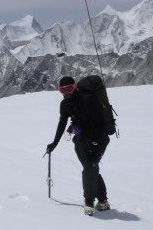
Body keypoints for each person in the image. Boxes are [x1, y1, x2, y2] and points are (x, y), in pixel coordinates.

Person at [46, 76, 111, 215]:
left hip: (99, 138)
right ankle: (103, 200)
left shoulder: (87, 100)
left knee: (90, 167)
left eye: (69, 89)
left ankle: (88, 202)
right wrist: (54, 143)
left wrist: (96, 141)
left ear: (74, 87)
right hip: (81, 139)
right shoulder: (65, 105)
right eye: (63, 91)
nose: (67, 93)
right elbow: (62, 123)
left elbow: (101, 123)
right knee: (90, 168)